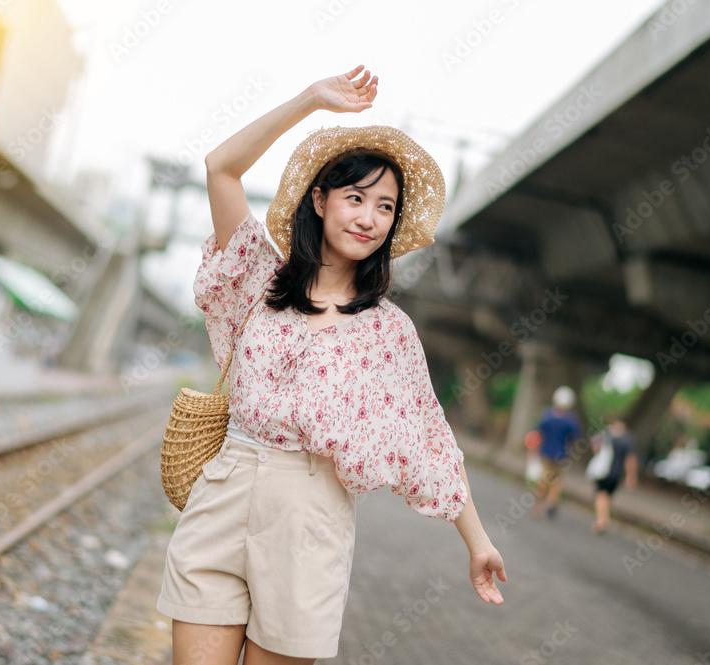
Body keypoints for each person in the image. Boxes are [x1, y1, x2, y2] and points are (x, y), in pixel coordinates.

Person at [156, 66, 506, 664]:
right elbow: (221, 167)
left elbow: (428, 438)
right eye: (355, 197)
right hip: (224, 489)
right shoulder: (258, 282)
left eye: (385, 207)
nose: (368, 217)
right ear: (319, 200)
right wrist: (312, 100)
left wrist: (478, 542)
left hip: (309, 517)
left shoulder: (389, 332)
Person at [532, 385, 582, 519]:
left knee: (543, 479)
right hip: (562, 455)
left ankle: (537, 505)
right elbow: (574, 437)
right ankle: (551, 502)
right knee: (556, 481)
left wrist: (534, 451)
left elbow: (538, 433)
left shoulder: (547, 415)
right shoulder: (570, 420)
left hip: (545, 453)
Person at [590, 418, 638, 533]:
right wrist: (631, 476)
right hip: (617, 474)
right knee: (608, 496)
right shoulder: (628, 440)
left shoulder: (606, 436)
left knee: (601, 494)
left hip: (604, 471)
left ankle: (601, 520)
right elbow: (630, 459)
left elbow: (595, 448)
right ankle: (604, 518)